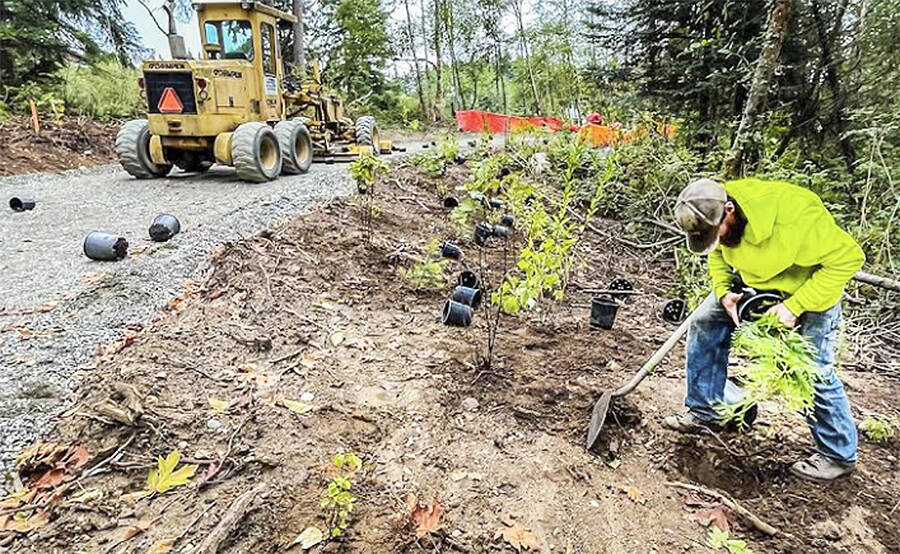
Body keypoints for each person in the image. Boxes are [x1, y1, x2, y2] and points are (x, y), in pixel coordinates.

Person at [666, 177, 865, 481]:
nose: (716, 239)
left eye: (715, 232)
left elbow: (849, 259)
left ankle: (838, 455)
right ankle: (707, 410)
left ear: (729, 210)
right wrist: (724, 292)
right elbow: (716, 251)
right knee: (706, 320)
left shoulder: (795, 217)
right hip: (754, 282)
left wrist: (794, 307)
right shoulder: (718, 215)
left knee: (810, 369)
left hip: (810, 291)